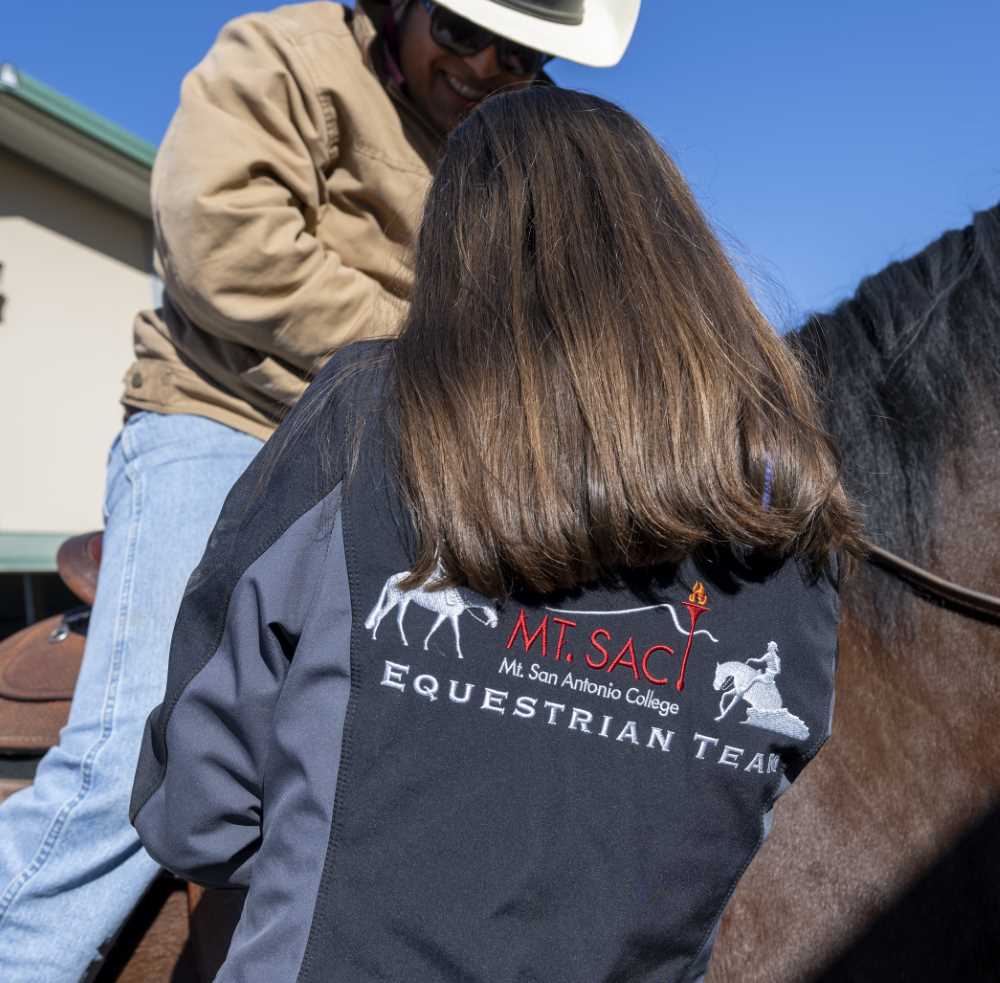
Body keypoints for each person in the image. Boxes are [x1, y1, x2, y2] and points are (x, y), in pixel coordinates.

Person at [130, 86, 858, 982]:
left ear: (459, 246)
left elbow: (192, 809)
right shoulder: (796, 522)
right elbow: (736, 811)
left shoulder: (366, 417)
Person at [0, 2, 640, 979]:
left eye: (522, 51)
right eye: (462, 32)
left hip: (419, 456)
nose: (486, 65)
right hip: (227, 421)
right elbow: (227, 248)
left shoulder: (534, 144)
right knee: (141, 734)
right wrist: (443, 351)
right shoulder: (281, 55)